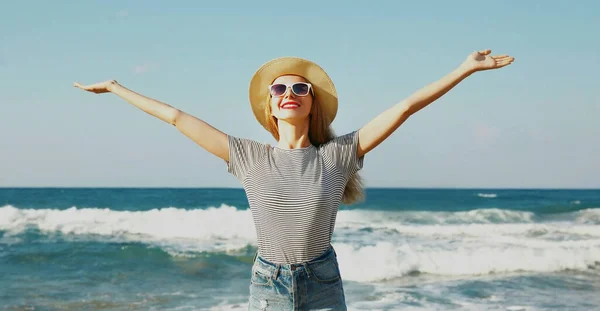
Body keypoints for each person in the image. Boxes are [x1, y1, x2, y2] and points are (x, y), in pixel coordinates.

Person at [74, 49, 514, 310]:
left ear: (312, 103)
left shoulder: (339, 155)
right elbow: (175, 117)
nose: (288, 94)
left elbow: (404, 108)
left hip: (323, 281)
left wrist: (464, 68)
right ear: (269, 107)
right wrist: (115, 88)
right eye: (279, 89)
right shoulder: (247, 155)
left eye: (299, 89)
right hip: (268, 284)